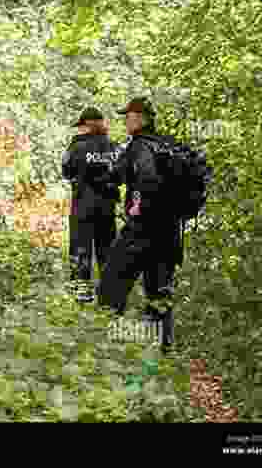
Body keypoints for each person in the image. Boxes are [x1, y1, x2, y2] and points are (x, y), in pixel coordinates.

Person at [96, 97, 181, 353]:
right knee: (159, 295)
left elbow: (140, 176)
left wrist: (135, 205)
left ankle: (103, 350)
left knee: (110, 287)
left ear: (142, 118)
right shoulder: (169, 146)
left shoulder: (138, 146)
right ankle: (164, 354)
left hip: (142, 230)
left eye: (129, 115)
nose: (125, 120)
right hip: (170, 233)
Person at [62, 107, 120, 304]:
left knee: (80, 250)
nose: (78, 130)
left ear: (87, 125)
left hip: (83, 206)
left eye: (80, 126)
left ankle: (81, 297)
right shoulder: (114, 147)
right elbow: (122, 175)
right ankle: (109, 299)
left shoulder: (77, 147)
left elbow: (67, 170)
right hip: (107, 208)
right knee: (107, 253)